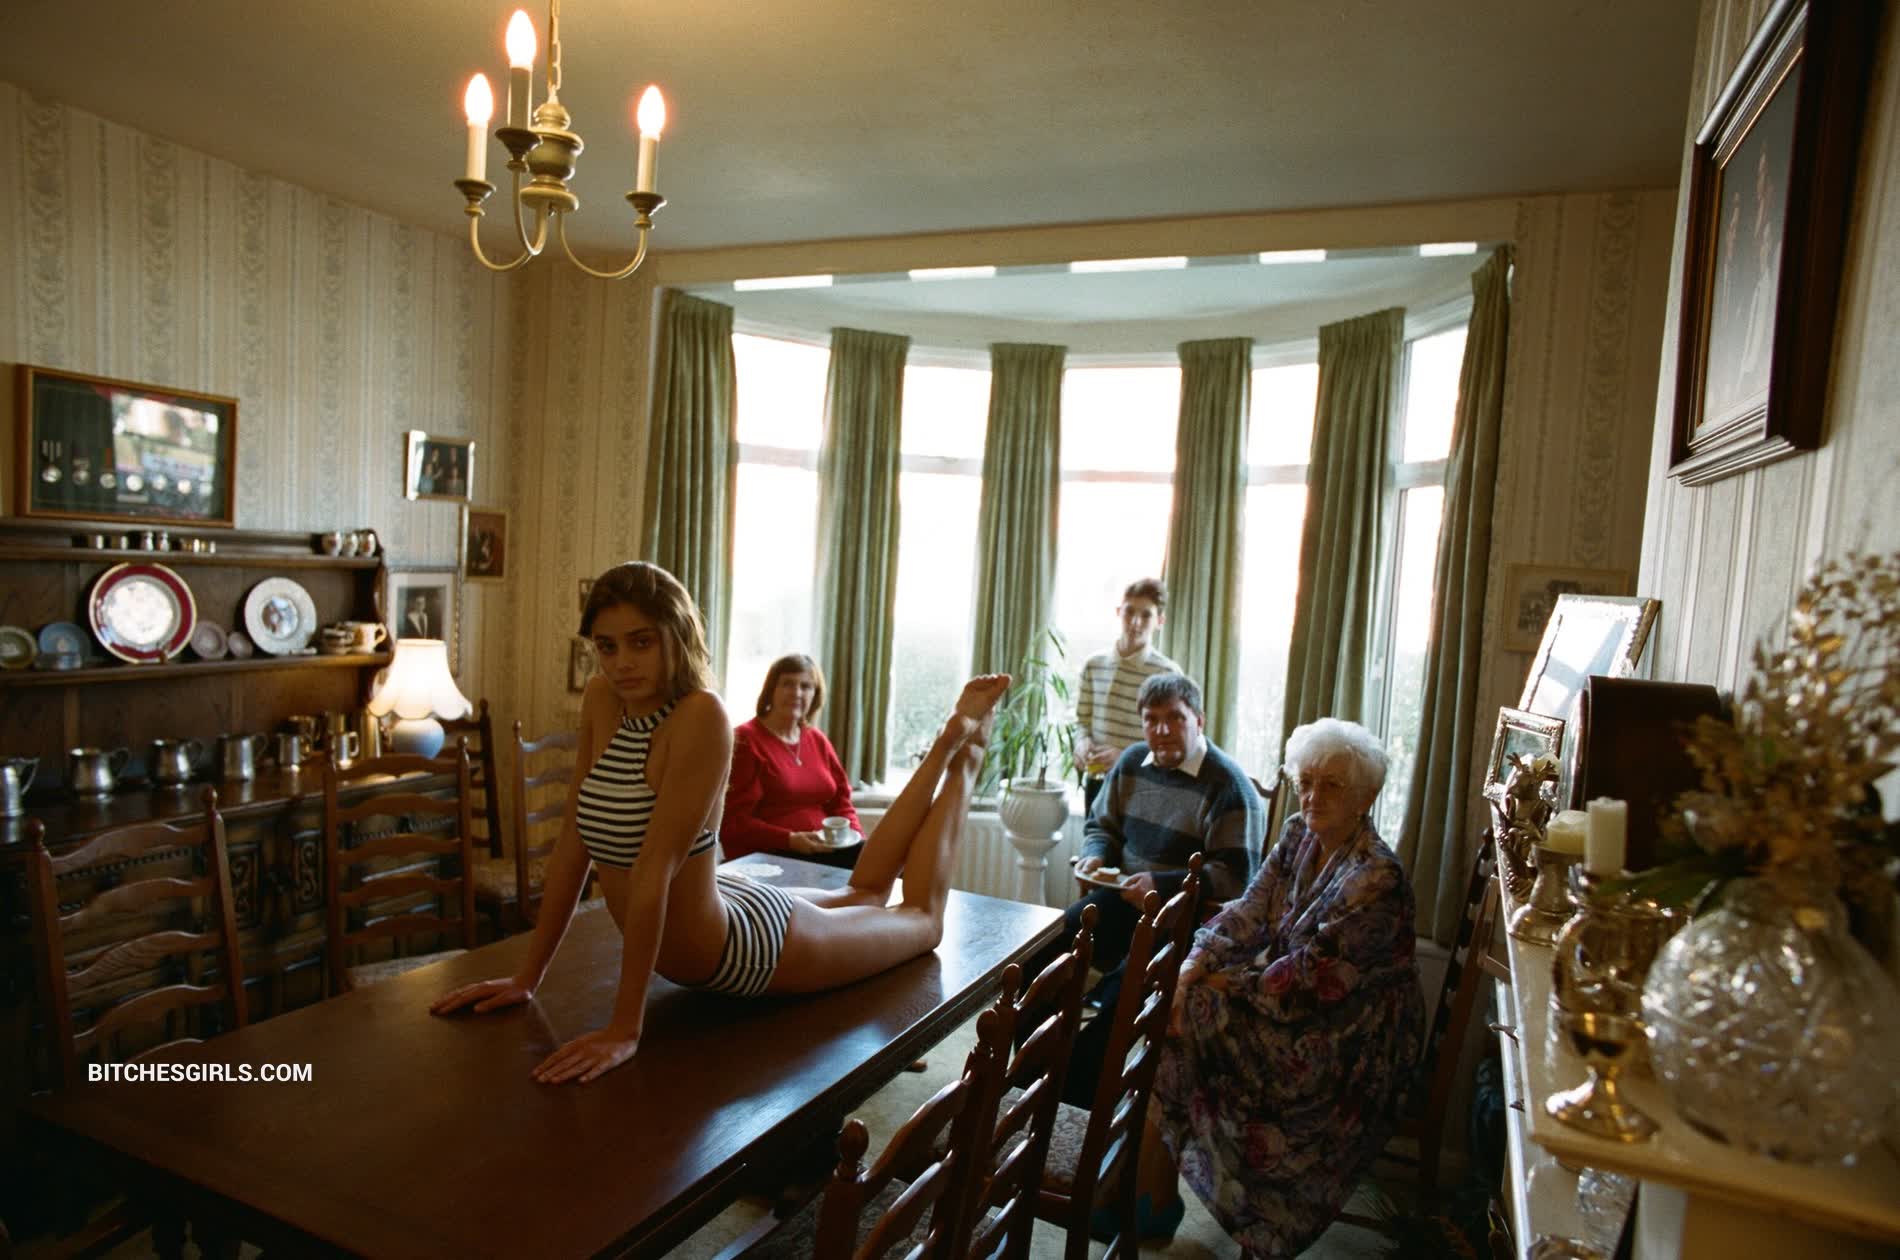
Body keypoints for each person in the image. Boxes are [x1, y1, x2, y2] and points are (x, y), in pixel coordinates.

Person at [431, 561, 1009, 1084]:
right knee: (866, 892)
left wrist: (625, 1028)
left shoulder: (700, 716)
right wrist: (527, 978)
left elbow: (654, 871)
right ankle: (949, 746)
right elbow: (573, 846)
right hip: (729, 902)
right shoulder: (602, 699)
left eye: (641, 641)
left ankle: (962, 752)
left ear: (676, 635)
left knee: (922, 920)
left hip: (743, 949)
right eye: (607, 646)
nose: (622, 662)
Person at [1139, 717, 1424, 1257]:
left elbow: (1309, 980)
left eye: (1331, 785)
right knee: (1178, 1006)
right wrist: (1192, 964)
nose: (1313, 796)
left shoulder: (1376, 877)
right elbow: (1248, 911)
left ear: (1366, 797)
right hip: (1294, 1001)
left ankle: (1152, 1194)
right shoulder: (1298, 833)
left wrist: (1215, 983)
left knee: (1191, 1013)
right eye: (1306, 782)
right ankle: (1148, 1190)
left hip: (1355, 1036)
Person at [721, 653, 863, 868]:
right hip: (769, 855)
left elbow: (841, 802)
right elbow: (733, 822)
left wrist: (855, 838)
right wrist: (790, 840)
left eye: (806, 686)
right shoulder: (746, 740)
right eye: (787, 684)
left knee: (887, 858)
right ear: (771, 690)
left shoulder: (817, 739)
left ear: (815, 695)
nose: (797, 693)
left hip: (825, 852)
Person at [1074, 578, 1179, 814]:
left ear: (1159, 622)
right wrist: (1081, 743)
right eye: (1129, 612)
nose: (1135, 622)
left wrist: (1126, 758)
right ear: (1118, 612)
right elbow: (1082, 722)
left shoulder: (1168, 674)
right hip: (1097, 782)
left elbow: (1174, 742)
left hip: (1143, 785)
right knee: (1094, 837)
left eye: (1146, 615)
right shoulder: (1093, 665)